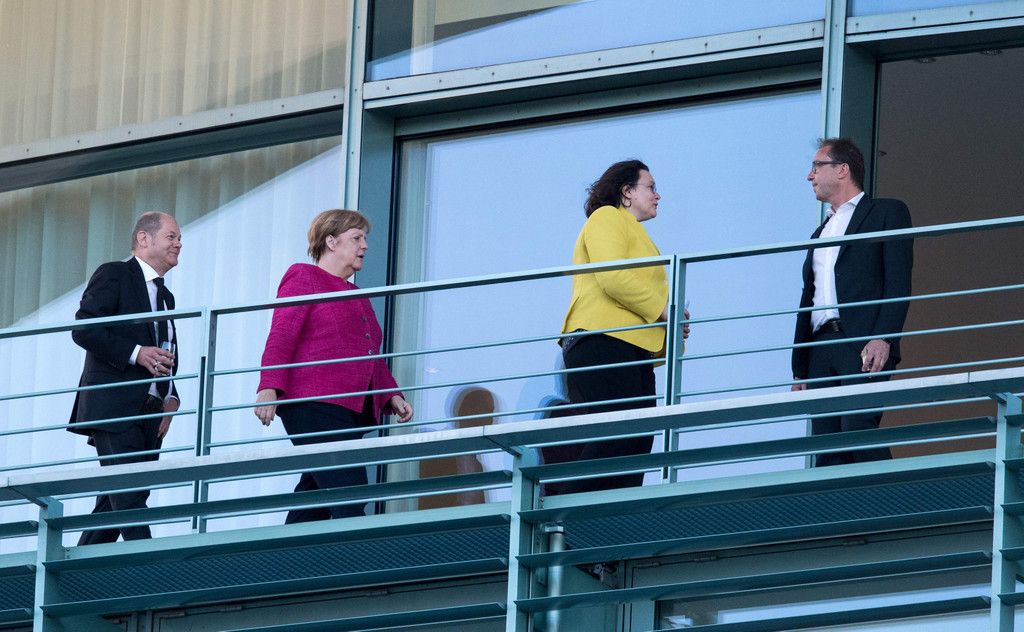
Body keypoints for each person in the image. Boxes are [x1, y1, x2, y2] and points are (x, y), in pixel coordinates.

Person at [254, 209, 413, 523]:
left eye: (365, 238)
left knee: (315, 496)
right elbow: (282, 334)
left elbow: (369, 353)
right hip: (313, 404)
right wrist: (268, 387)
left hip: (347, 409)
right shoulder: (304, 276)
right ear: (330, 241)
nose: (365, 245)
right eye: (356, 238)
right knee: (349, 488)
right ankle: (353, 552)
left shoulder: (356, 294)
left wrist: (392, 394)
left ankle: (287, 553)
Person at [550, 159, 688, 495]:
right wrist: (664, 312)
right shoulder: (606, 217)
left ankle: (611, 513)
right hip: (601, 340)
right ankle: (562, 509)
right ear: (626, 193)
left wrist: (672, 325)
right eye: (651, 187)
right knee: (619, 434)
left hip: (627, 347)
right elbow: (613, 276)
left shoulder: (636, 233)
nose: (658, 195)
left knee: (638, 439)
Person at [791, 138, 913, 466]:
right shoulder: (820, 232)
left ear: (842, 169)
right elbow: (809, 296)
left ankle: (890, 493)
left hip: (861, 339)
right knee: (827, 445)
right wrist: (800, 369)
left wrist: (883, 337)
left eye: (816, 166)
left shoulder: (887, 212)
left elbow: (898, 281)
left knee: (858, 425)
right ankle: (839, 501)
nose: (810, 176)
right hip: (818, 347)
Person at [69, 211, 182, 545]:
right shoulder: (115, 274)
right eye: (172, 237)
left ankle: (78, 570)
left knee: (118, 499)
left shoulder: (165, 296)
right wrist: (136, 352)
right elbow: (84, 328)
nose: (179, 244)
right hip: (115, 404)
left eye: (179, 238)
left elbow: (165, 351)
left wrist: (171, 396)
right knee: (129, 495)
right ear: (144, 238)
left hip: (151, 412)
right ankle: (148, 565)